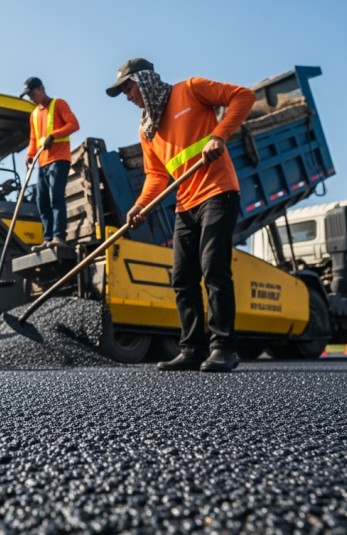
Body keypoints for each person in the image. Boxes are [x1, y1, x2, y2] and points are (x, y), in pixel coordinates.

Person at [107, 58, 255, 372]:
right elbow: (156, 175)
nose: (128, 96)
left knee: (213, 268)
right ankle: (192, 349)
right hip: (185, 204)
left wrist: (219, 136)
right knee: (182, 278)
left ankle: (224, 348)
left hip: (218, 191)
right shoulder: (148, 128)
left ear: (144, 79)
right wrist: (140, 206)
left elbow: (244, 96)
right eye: (123, 92)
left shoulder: (191, 89)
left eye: (128, 88)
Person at [21, 76, 80, 251]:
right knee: (42, 201)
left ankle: (58, 237)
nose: (31, 98)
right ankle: (48, 238)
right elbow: (33, 138)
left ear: (41, 89)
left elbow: (74, 125)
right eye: (29, 95)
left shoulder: (58, 104)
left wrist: (53, 135)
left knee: (56, 197)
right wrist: (29, 154)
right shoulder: (34, 114)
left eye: (32, 94)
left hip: (59, 160)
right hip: (42, 163)